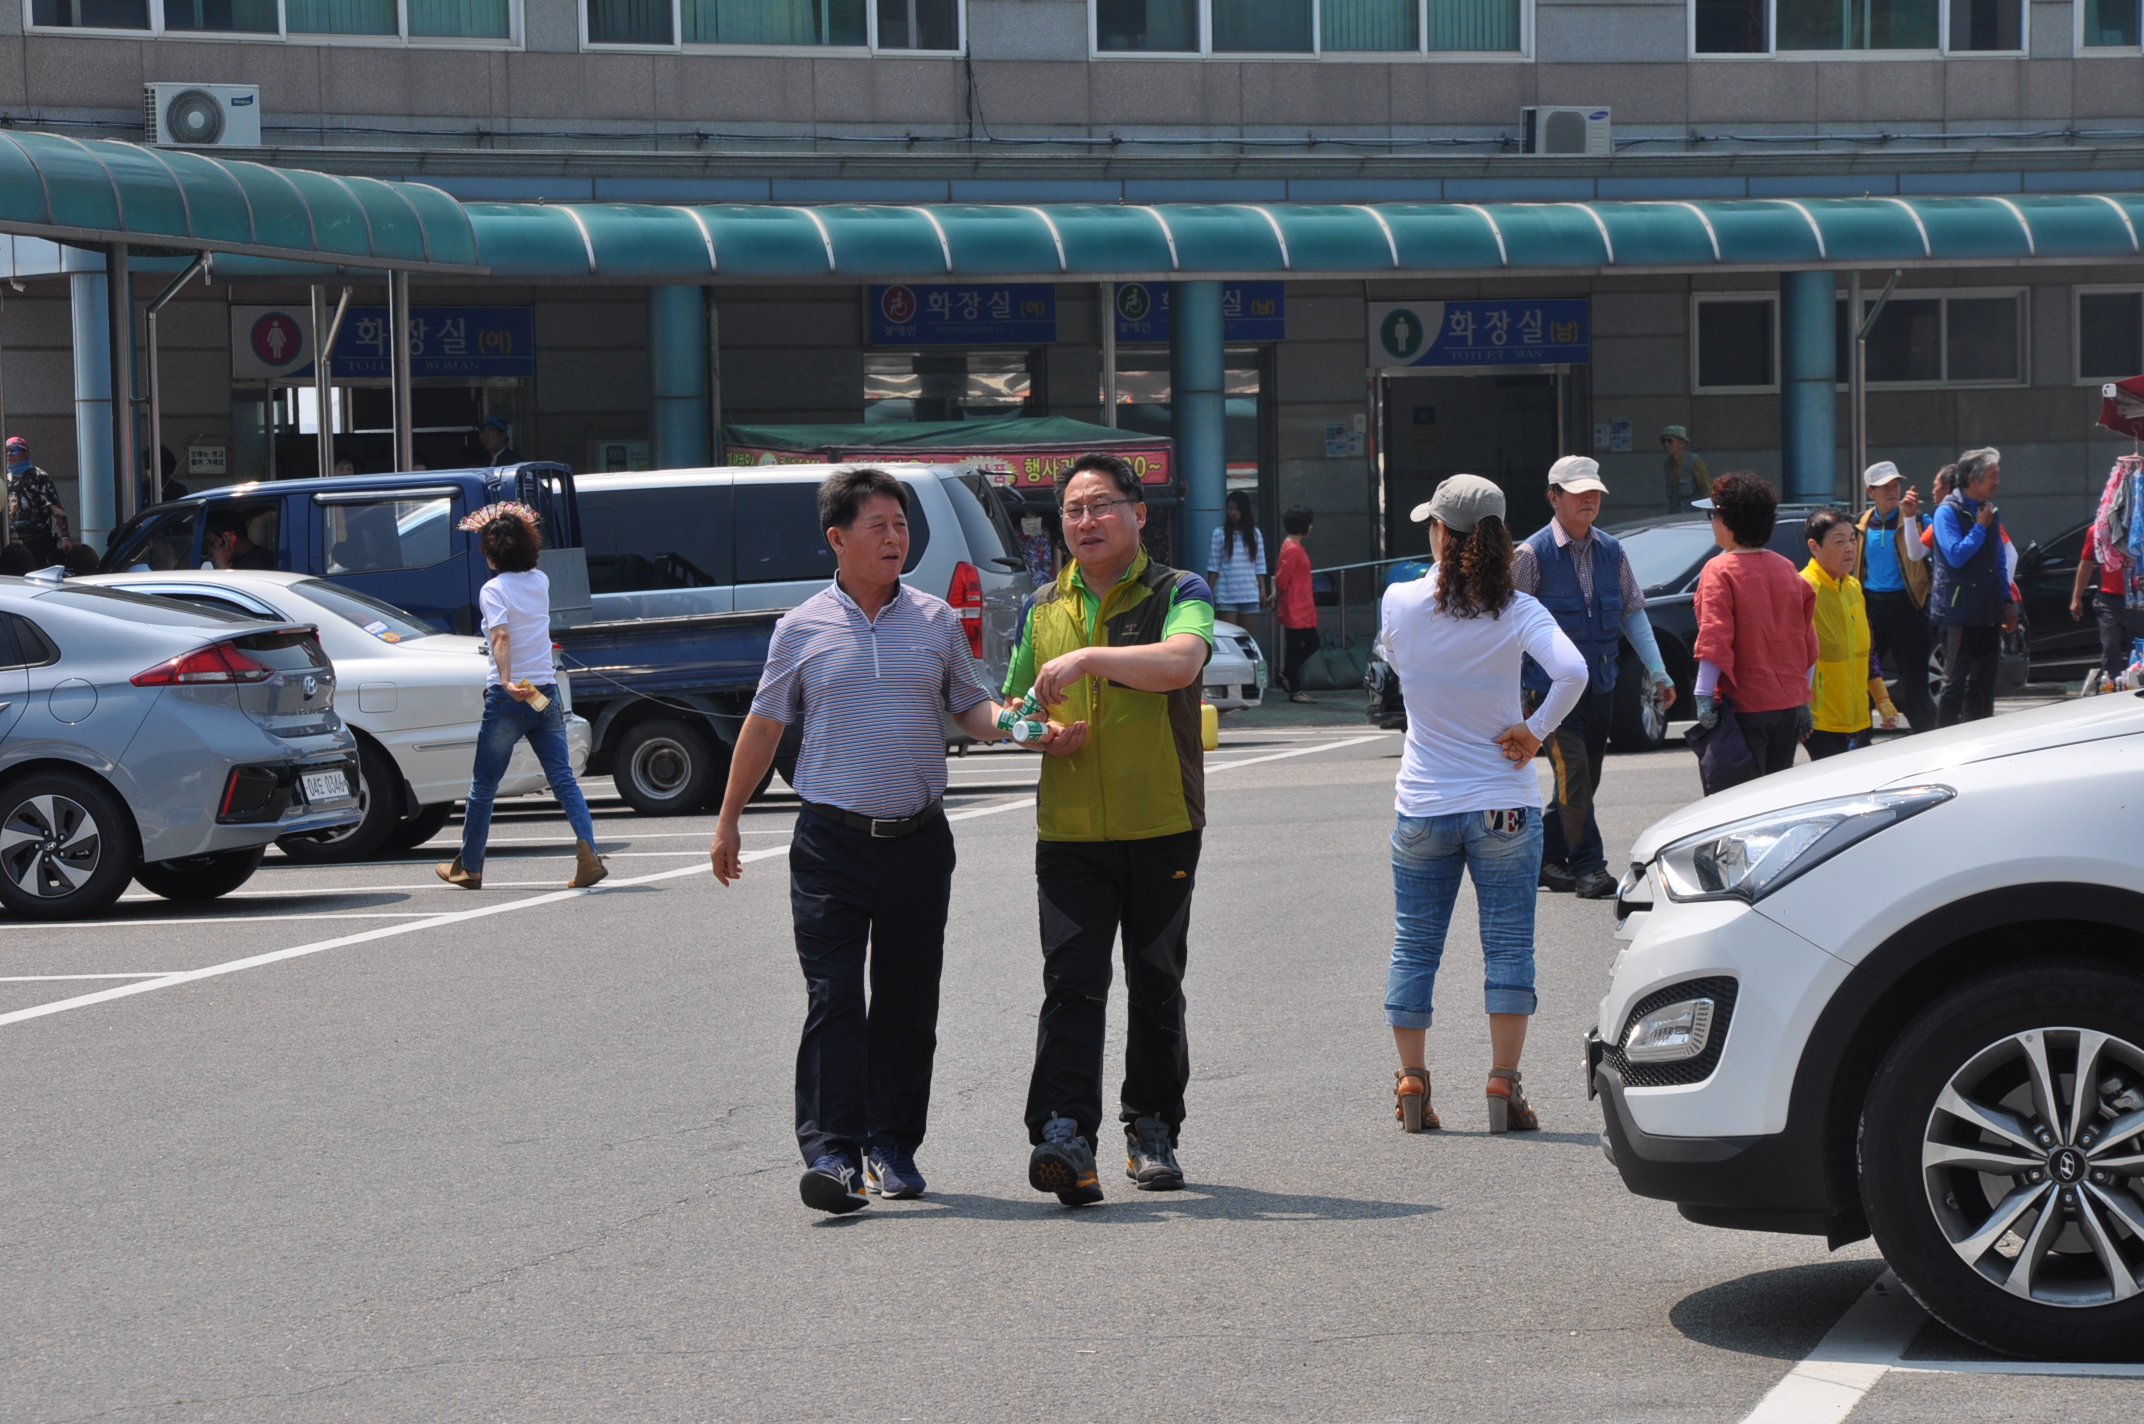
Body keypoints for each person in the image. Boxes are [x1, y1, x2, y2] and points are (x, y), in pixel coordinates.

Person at [709, 468, 1035, 1216]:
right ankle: (833, 1154)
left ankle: (892, 1146)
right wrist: (727, 820)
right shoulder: (801, 628)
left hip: (918, 840)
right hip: (832, 843)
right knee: (834, 999)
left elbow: (971, 706)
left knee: (907, 1003)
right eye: (879, 525)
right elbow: (764, 725)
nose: (895, 538)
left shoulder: (936, 620)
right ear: (838, 538)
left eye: (901, 524)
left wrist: (1019, 727)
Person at [1013, 452, 1215, 1208]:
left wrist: (1090, 658)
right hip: (1069, 832)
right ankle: (1063, 1133)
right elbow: (1014, 704)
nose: (1085, 521)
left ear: (1138, 513)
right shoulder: (1043, 605)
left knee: (1156, 981)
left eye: (1101, 505)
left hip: (1162, 821)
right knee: (1071, 982)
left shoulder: (1178, 591)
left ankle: (1152, 1127)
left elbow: (1181, 663)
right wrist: (1035, 734)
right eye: (1072, 510)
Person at [1380, 474, 1586, 1137]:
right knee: (1508, 947)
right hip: (1504, 802)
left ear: (1441, 531)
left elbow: (1399, 666)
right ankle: (1503, 1082)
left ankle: (1412, 1079)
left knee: (1415, 946)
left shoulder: (1400, 601)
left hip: (1424, 800)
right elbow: (1573, 672)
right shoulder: (1520, 610)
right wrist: (1535, 731)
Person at [1513, 456, 1676, 900]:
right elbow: (1507, 629)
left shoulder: (1612, 551)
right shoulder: (1530, 555)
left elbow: (1632, 613)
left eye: (1595, 492)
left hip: (1601, 685)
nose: (1589, 499)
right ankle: (1590, 868)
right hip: (1549, 693)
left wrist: (1658, 671)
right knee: (1576, 778)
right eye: (1577, 492)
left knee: (1582, 782)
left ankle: (1545, 859)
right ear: (1553, 497)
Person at [436, 503, 605, 889]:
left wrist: (507, 679)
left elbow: (500, 636)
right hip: (542, 691)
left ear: (492, 553)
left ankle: (470, 866)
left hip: (510, 696)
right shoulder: (540, 581)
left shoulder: (493, 590)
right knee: (562, 778)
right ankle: (589, 855)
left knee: (484, 785)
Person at [1692, 473, 1819, 783]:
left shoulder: (1719, 570)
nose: (1711, 522)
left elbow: (1714, 638)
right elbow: (1807, 641)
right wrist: (1803, 698)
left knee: (1738, 799)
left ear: (1727, 519)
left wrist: (1703, 695)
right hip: (1787, 706)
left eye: (1712, 514)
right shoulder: (1786, 568)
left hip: (1743, 705)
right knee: (1774, 797)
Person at [1802, 507, 1897, 760]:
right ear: (1814, 547)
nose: (1850, 548)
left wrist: (1882, 699)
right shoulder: (1804, 589)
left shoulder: (1853, 586)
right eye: (1839, 541)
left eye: (1852, 540)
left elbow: (1867, 651)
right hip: (1818, 717)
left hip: (1852, 714)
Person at [1929, 447, 2014, 727]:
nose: (1998, 481)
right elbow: (1955, 556)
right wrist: (1979, 527)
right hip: (1959, 612)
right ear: (1973, 479)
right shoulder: (1947, 512)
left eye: (1998, 475)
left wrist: (2007, 601)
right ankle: (1943, 739)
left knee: (1984, 684)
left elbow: (1998, 560)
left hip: (1988, 610)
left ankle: (1981, 737)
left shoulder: (1990, 511)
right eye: (1993, 475)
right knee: (1954, 683)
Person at [1853, 462, 1936, 733]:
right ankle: (1859, 738)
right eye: (1884, 487)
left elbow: (1939, 551)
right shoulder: (1861, 524)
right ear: (1870, 491)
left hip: (1907, 606)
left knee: (1916, 681)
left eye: (1895, 485)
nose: (1892, 491)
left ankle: (1926, 736)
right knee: (1863, 676)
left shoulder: (1918, 519)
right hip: (1871, 607)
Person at [1274, 504, 1319, 703]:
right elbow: (1282, 579)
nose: (1311, 527)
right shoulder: (1293, 549)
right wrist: (1276, 596)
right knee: (1301, 646)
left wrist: (1275, 596)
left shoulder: (1291, 546)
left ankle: (1287, 675)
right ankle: (1294, 688)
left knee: (1306, 644)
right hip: (1295, 605)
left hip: (1299, 605)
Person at [1205, 489, 1268, 627]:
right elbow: (1213, 566)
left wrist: (1263, 589)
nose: (1233, 513)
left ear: (1244, 510)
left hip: (1249, 593)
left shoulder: (1255, 534)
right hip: (1226, 594)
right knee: (1230, 635)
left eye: (1237, 509)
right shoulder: (1219, 533)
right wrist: (1210, 591)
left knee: (1245, 636)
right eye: (1230, 509)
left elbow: (1260, 565)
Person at [5, 437, 71, 566]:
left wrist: (65, 537)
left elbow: (56, 508)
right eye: (6, 450)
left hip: (38, 543)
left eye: (14, 450)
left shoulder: (39, 476)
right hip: (12, 546)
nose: (9, 454)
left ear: (26, 452)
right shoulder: (6, 478)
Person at [205, 509, 277, 571]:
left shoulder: (260, 562)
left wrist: (222, 563)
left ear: (229, 537)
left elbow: (233, 583)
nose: (209, 549)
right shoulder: (240, 560)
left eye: (212, 543)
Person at [1662, 425, 1711, 506]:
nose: (1666, 444)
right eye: (1664, 441)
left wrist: (1704, 510)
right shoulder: (1667, 464)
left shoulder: (1694, 461)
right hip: (1676, 511)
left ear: (1682, 443)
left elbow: (1707, 488)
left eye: (1670, 441)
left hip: (1694, 511)